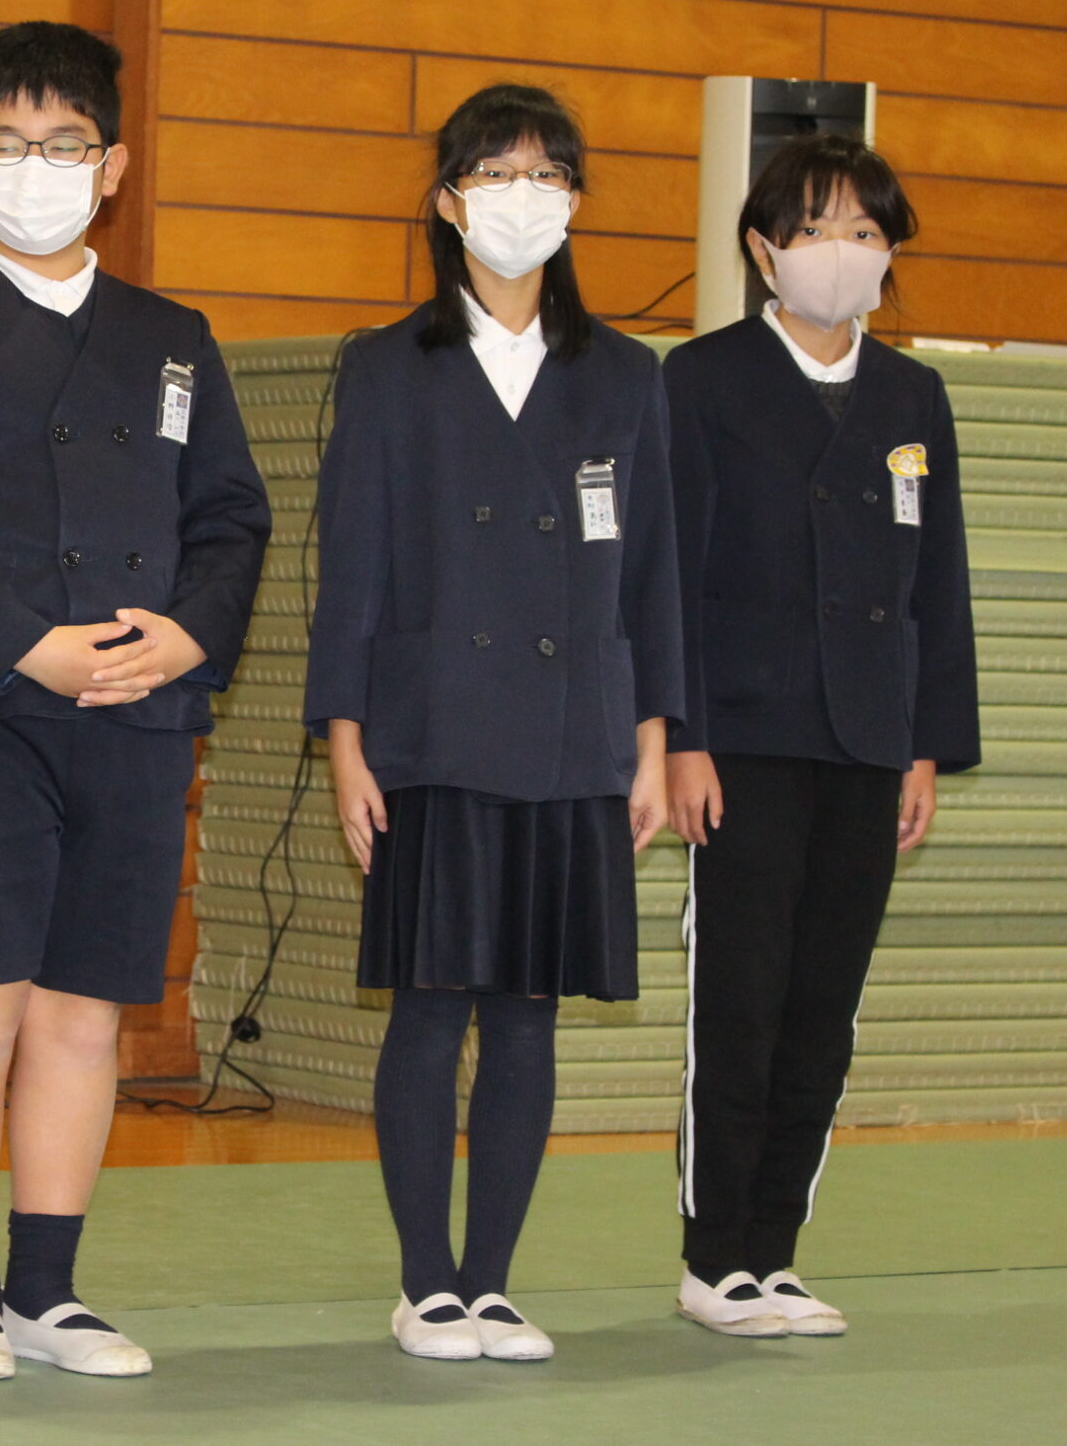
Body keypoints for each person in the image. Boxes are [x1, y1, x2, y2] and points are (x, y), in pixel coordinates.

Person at [0, 21, 270, 1382]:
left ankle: (48, 1287)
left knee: (86, 1014)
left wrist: (183, 636)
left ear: (113, 164)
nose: (38, 167)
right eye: (9, 144)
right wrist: (29, 645)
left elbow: (232, 518)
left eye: (66, 143)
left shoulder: (173, 337)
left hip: (138, 714)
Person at [307, 83, 682, 1367]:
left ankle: (492, 1284)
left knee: (527, 1013)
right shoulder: (385, 364)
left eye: (548, 174)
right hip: (427, 728)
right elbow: (349, 567)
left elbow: (652, 574)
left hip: (575, 731)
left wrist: (651, 737)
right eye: (496, 172)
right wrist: (345, 742)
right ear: (448, 200)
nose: (524, 196)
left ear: (574, 200)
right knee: (428, 1009)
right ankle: (425, 1283)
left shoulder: (625, 375)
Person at [662, 133, 978, 1337]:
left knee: (821, 1008)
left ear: (889, 252)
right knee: (739, 1002)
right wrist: (679, 735)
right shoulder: (699, 381)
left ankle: (775, 1252)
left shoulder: (912, 396)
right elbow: (669, 578)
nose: (839, 253)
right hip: (741, 739)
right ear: (762, 250)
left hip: (867, 736)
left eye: (864, 232)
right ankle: (714, 1260)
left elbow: (935, 583)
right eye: (813, 231)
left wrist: (923, 744)